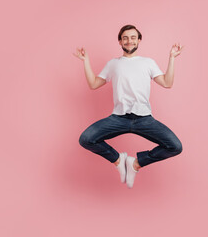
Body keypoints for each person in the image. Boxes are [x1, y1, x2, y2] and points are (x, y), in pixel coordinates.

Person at [74, 24, 183, 188]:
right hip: (118, 118)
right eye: (125, 38)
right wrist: (86, 61)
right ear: (120, 41)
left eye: (133, 37)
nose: (129, 41)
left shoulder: (148, 63)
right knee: (86, 139)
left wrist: (172, 58)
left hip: (144, 119)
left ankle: (135, 164)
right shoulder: (113, 64)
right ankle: (119, 161)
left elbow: (167, 83)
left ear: (139, 40)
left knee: (175, 146)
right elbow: (94, 84)